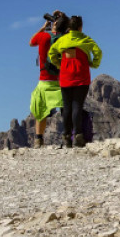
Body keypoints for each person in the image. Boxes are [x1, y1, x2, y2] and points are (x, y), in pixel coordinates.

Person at [48, 15, 103, 148]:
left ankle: (66, 136)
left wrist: (59, 64)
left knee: (66, 107)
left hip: (65, 75)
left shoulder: (63, 40)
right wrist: (93, 63)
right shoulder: (85, 39)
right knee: (77, 105)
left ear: (69, 27)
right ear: (80, 27)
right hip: (81, 75)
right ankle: (78, 134)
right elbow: (98, 52)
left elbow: (51, 53)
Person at [29, 12, 67, 148]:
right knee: (66, 109)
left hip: (45, 79)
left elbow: (31, 42)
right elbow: (74, 30)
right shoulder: (65, 37)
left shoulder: (44, 36)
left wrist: (44, 27)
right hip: (61, 79)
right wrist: (63, 17)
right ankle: (68, 137)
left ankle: (39, 139)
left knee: (41, 111)